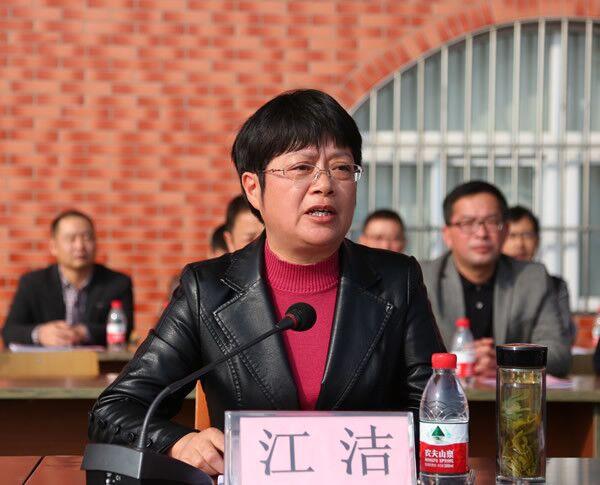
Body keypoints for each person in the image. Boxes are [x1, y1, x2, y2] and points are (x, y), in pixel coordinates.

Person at [88, 89, 444, 477]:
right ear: (253, 188)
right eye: (301, 168)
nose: (325, 184)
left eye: (342, 168)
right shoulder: (207, 290)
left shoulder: (396, 280)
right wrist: (178, 442)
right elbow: (114, 410)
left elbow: (435, 410)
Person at [420, 181, 571, 377]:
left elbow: (559, 354)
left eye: (491, 222)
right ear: (447, 235)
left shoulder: (533, 278)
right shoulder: (423, 279)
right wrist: (463, 360)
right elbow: (404, 356)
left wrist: (504, 363)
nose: (481, 233)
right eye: (467, 223)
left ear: (505, 230)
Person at [2, 210, 134, 347]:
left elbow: (127, 330)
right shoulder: (32, 283)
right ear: (53, 246)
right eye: (71, 239)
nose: (80, 246)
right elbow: (9, 331)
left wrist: (84, 332)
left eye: (87, 238)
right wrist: (40, 334)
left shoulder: (117, 283)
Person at [502, 205, 576, 342]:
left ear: (537, 241)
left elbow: (562, 336)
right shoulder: (493, 283)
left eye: (527, 235)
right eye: (512, 236)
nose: (520, 244)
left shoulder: (555, 285)